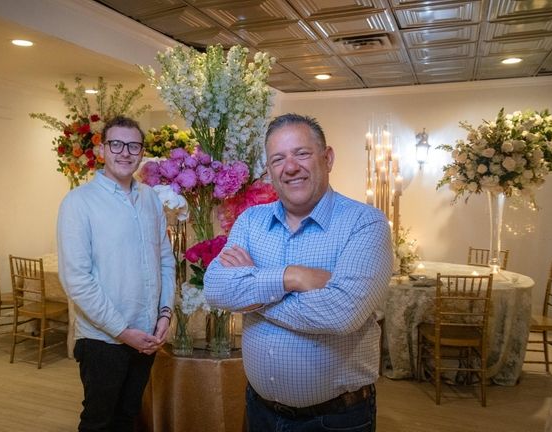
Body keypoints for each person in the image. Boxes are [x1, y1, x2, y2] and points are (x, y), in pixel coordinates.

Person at [204, 113, 392, 431]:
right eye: (278, 158)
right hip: (259, 411)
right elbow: (216, 288)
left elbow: (340, 314)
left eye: (301, 153)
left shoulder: (365, 223)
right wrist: (291, 276)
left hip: (334, 419)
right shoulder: (250, 221)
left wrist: (254, 290)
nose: (290, 167)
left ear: (327, 158)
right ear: (269, 169)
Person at [57, 115, 176, 431]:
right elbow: (77, 281)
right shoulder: (78, 203)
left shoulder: (150, 198)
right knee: (99, 422)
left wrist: (165, 314)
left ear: (141, 152)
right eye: (117, 144)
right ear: (102, 150)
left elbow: (165, 260)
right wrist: (123, 332)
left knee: (128, 418)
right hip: (102, 340)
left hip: (147, 335)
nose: (125, 152)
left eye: (133, 145)